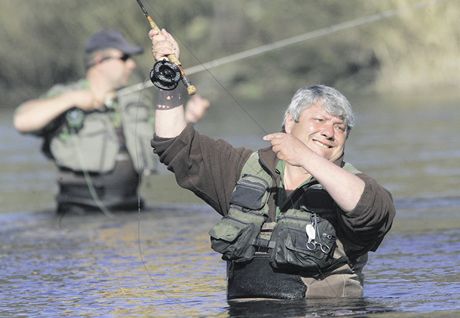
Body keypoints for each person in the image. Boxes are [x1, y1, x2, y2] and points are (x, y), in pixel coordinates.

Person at [148, 28, 395, 300]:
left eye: (340, 127)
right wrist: (167, 79)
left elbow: (373, 212)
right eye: (319, 120)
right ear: (290, 122)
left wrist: (305, 157)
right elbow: (174, 145)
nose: (329, 131)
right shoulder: (242, 168)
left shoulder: (352, 185)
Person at [14, 29, 210, 215]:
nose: (131, 65)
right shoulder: (65, 96)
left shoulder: (135, 102)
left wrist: (188, 118)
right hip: (79, 213)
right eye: (124, 58)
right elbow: (22, 121)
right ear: (99, 61)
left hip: (131, 209)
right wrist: (71, 100)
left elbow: (162, 138)